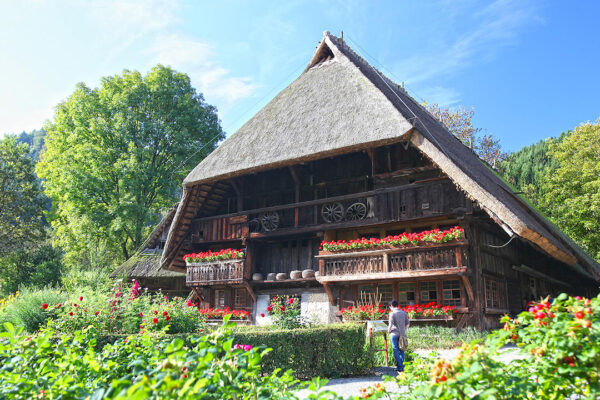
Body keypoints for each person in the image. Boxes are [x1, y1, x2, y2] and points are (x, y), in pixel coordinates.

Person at [387, 299, 410, 372]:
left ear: (391, 306)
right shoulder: (403, 313)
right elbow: (408, 324)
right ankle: (401, 365)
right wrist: (404, 330)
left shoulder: (392, 313)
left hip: (394, 334)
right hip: (402, 334)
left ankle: (400, 366)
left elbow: (390, 325)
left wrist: (388, 331)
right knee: (402, 349)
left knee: (395, 350)